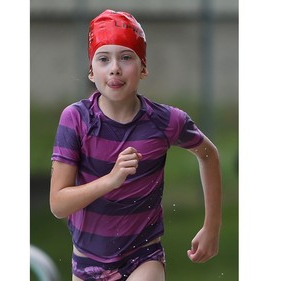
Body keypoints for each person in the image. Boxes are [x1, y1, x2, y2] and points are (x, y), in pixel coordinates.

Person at [50, 9, 222, 281]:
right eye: (104, 58)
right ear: (92, 71)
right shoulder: (76, 119)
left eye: (126, 57)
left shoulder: (165, 121)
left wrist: (211, 227)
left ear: (143, 68)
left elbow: (208, 155)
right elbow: (58, 204)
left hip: (144, 256)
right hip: (88, 264)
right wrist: (111, 180)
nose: (115, 67)